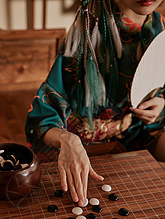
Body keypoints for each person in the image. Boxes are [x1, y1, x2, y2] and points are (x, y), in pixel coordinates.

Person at [25, 0, 165, 206]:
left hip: (136, 129)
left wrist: (160, 103)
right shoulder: (90, 27)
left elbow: (159, 88)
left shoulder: (158, 24)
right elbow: (45, 111)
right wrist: (66, 140)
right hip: (83, 141)